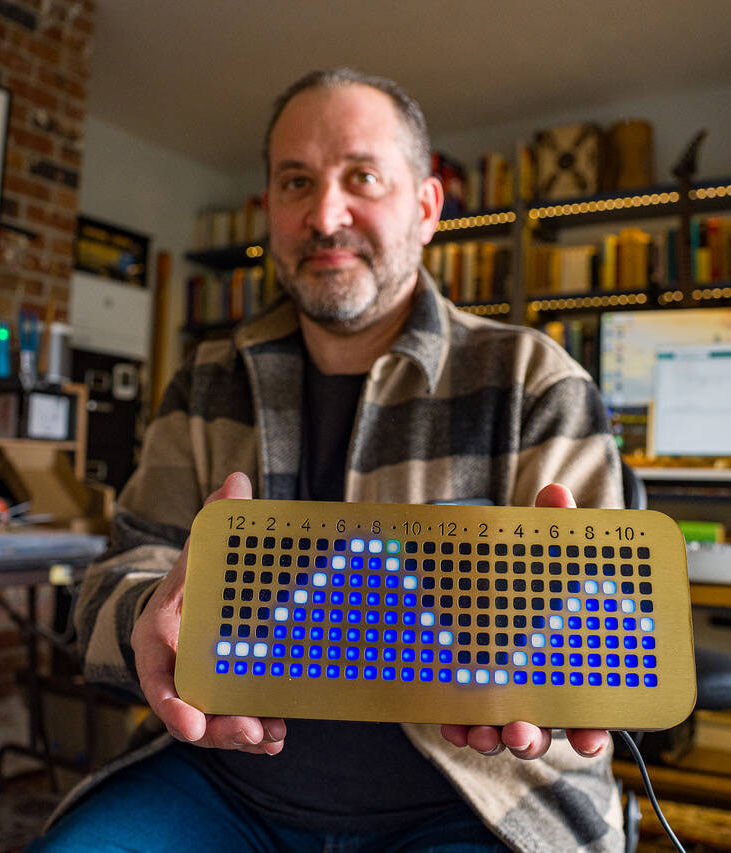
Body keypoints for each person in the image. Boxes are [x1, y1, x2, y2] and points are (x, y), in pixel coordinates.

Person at [32, 68, 625, 853]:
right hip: (218, 779)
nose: (325, 213)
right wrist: (147, 616)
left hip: (478, 797)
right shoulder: (207, 382)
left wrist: (574, 648)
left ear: (425, 207)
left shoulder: (536, 381)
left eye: (362, 177)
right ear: (270, 209)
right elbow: (112, 581)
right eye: (295, 182)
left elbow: (609, 630)